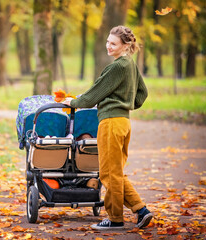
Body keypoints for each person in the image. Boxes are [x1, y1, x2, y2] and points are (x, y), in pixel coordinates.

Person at [63, 25, 152, 230]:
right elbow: (142, 94)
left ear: (126, 45)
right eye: (107, 42)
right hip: (123, 123)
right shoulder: (130, 65)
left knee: (108, 174)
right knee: (116, 172)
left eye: (113, 43)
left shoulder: (117, 67)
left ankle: (115, 219)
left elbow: (94, 94)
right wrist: (127, 104)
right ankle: (141, 210)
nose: (108, 46)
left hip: (111, 123)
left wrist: (73, 102)